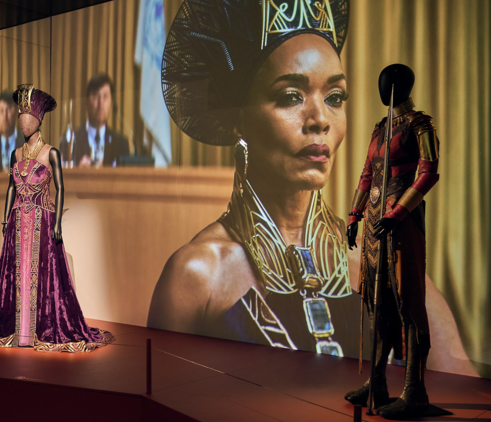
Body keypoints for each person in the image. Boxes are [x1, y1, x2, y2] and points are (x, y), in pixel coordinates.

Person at [149, 0, 475, 375]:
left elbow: (462, 388)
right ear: (240, 119)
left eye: (335, 98)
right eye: (290, 96)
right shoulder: (198, 275)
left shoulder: (381, 259)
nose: (320, 119)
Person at [0, 84, 114, 352]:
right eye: (20, 118)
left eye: (27, 118)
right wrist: (5, 219)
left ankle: (41, 328)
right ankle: (18, 329)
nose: (22, 123)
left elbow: (60, 188)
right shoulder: (15, 155)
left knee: (45, 277)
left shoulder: (51, 153)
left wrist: (58, 222)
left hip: (43, 221)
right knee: (14, 275)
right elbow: (10, 189)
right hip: (17, 222)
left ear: (38, 120)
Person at [344, 65, 440, 419]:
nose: (384, 89)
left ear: (400, 86)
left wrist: (397, 213)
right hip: (373, 224)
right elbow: (367, 174)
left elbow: (429, 172)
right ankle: (378, 381)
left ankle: (414, 390)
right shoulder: (380, 128)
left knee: (408, 301)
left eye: (389, 84)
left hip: (400, 223)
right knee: (378, 301)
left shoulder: (420, 126)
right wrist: (355, 215)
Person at [59, 74, 130, 168]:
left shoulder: (121, 143)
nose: (101, 104)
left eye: (105, 97)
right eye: (96, 96)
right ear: (87, 102)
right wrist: (77, 171)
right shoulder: (71, 139)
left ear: (111, 103)